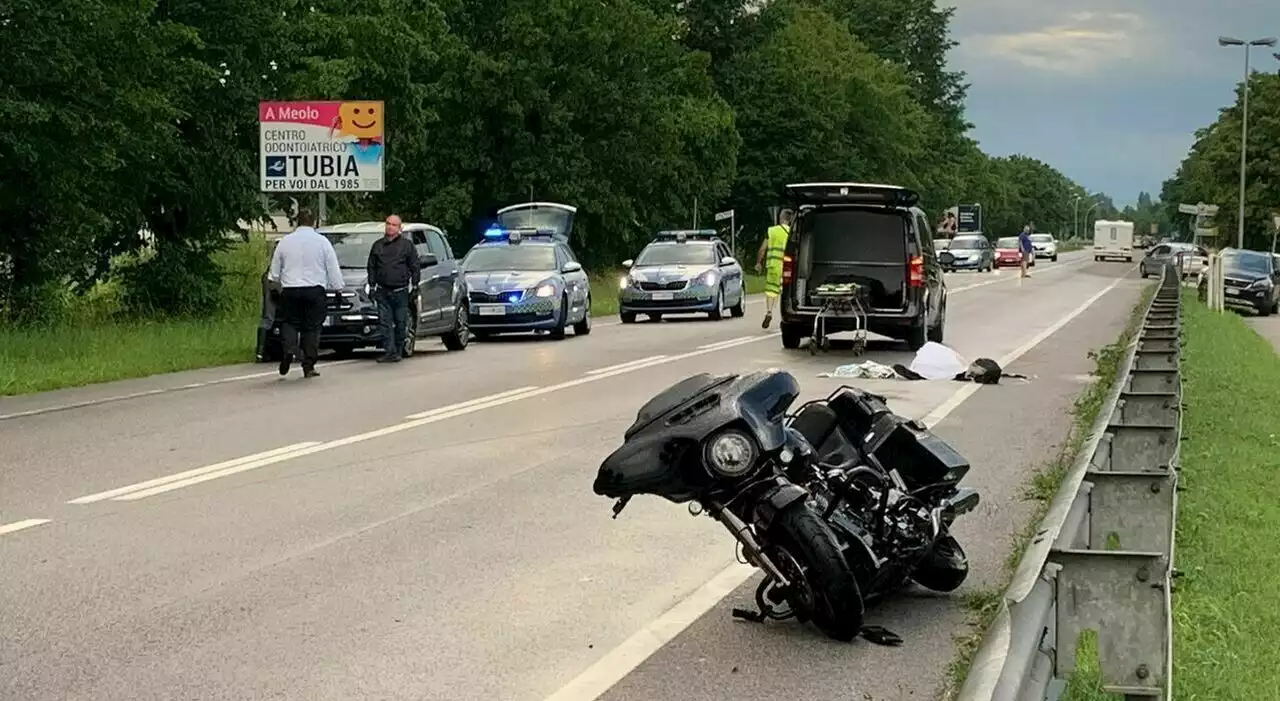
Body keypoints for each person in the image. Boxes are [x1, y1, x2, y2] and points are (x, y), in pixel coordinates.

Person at [267, 209, 344, 378]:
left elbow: (274, 271)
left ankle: (288, 350)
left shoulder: (285, 241)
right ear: (314, 222)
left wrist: (274, 286)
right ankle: (308, 365)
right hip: (314, 291)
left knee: (289, 323)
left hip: (291, 290)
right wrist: (338, 288)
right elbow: (332, 267)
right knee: (312, 327)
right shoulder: (322, 242)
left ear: (296, 222)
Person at [366, 214, 421, 363]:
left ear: (399, 228)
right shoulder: (377, 245)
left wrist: (415, 285)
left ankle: (398, 350)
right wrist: (371, 286)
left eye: (393, 225)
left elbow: (415, 266)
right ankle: (389, 351)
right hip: (383, 291)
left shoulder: (407, 245)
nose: (390, 227)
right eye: (388, 223)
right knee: (385, 322)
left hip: (400, 291)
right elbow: (371, 267)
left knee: (400, 321)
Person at [756, 209, 793, 329]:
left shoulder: (771, 231)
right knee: (787, 292)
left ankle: (769, 311)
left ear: (780, 218)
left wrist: (758, 263)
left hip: (773, 265)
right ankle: (787, 316)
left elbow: (762, 249)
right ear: (790, 220)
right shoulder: (793, 232)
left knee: (771, 291)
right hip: (788, 266)